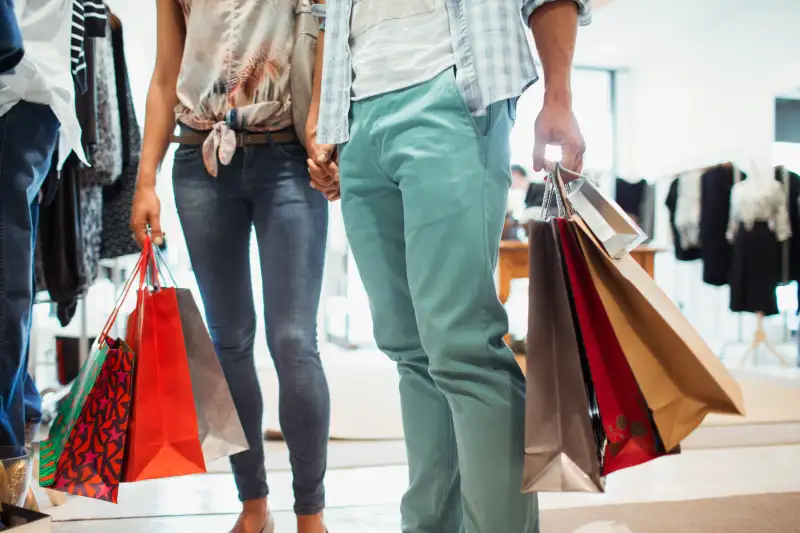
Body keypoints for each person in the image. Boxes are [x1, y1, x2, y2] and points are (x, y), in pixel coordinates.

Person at [307, 1, 590, 532]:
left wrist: (558, 96)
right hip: (357, 117)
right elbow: (327, 14)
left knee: (462, 345)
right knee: (408, 348)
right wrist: (324, 116)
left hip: (454, 90)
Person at [129, 2, 330, 532]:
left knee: (293, 340)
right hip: (199, 161)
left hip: (287, 155)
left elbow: (327, 36)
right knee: (228, 342)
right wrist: (145, 180)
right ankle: (253, 504)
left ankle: (311, 512)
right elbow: (165, 74)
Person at [0, 0, 87, 460]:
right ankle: (20, 427)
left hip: (13, 91)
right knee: (9, 293)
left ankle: (9, 460)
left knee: (5, 294)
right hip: (26, 93)